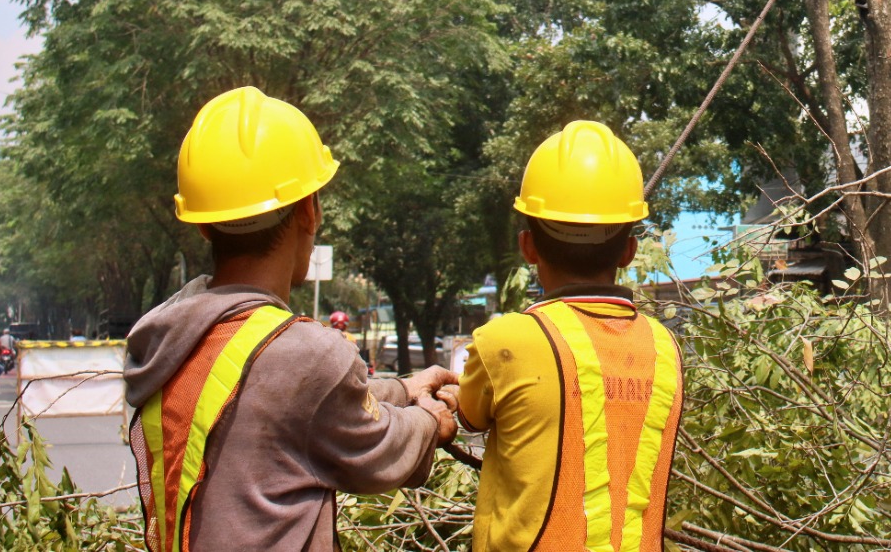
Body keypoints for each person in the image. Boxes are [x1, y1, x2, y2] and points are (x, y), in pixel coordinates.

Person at [124, 86, 459, 552]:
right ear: (309, 211)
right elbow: (377, 447)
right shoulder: (304, 352)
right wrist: (430, 420)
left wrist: (404, 388)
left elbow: (296, 403)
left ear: (202, 223)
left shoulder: (171, 335)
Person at [454, 120, 683, 552]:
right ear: (629, 252)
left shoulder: (504, 342)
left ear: (527, 247)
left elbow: (468, 417)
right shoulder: (664, 348)